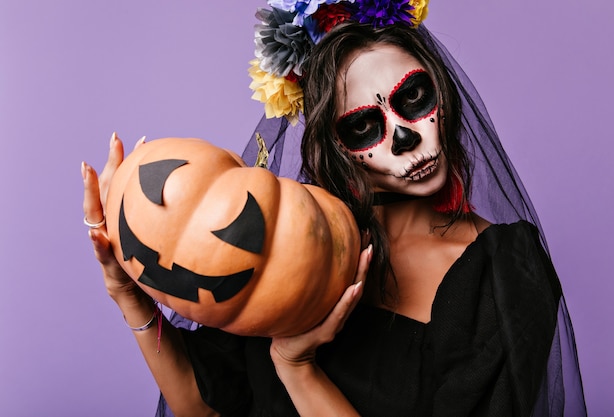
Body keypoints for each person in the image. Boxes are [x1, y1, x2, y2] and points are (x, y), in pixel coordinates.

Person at [82, 2, 587, 416]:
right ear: (333, 145)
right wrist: (127, 293)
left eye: (412, 97)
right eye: (364, 125)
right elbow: (203, 407)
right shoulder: (292, 247)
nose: (406, 138)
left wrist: (296, 366)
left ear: (441, 90)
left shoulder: (502, 274)